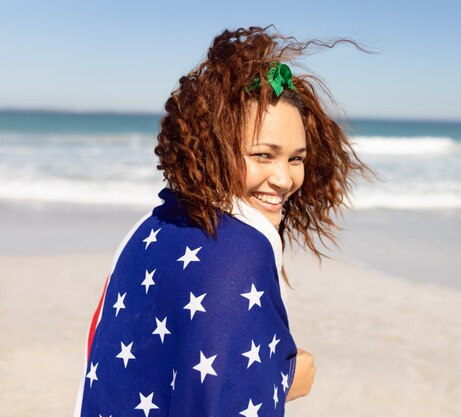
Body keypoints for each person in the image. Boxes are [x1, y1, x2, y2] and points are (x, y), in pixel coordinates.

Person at [74, 25, 371, 417]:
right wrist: (285, 380)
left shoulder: (155, 226)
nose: (284, 179)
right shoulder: (239, 250)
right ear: (214, 148)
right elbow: (226, 397)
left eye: (296, 158)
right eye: (263, 155)